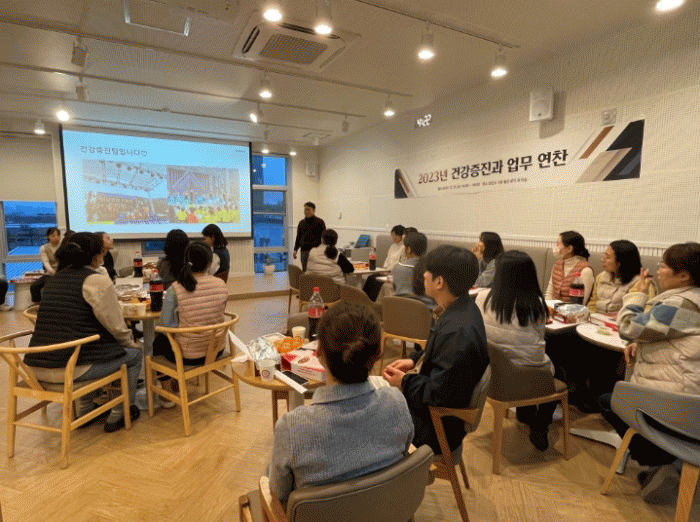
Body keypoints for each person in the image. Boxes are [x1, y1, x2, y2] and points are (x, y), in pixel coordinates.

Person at [267, 306, 414, 504]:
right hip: (386, 510)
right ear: (377, 353)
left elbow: (278, 495)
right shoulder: (396, 402)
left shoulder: (292, 428)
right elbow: (402, 456)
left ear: (318, 352)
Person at [599, 242, 700, 504]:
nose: (658, 269)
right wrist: (641, 342)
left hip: (678, 405)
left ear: (684, 276)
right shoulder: (692, 301)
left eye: (664, 265)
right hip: (690, 398)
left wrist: (637, 295)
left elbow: (628, 327)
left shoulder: (681, 303)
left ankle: (663, 459)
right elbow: (678, 336)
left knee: (609, 401)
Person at [24, 232, 142, 432]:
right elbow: (117, 328)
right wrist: (131, 343)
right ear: (95, 255)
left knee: (90, 349)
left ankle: (85, 409)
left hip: (36, 368)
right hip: (70, 370)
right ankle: (122, 410)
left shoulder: (52, 281)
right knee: (134, 354)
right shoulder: (96, 281)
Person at [383, 245, 489, 454]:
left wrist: (404, 381)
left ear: (439, 282)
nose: (424, 275)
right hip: (434, 414)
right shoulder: (462, 308)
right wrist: (414, 360)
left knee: (367, 416)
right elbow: (441, 357)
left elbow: (439, 394)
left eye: (427, 272)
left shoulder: (458, 331)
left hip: (437, 427)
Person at [475, 251, 554, 450]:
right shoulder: (535, 303)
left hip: (493, 372)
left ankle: (525, 412)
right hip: (527, 373)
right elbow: (540, 338)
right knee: (555, 370)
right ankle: (541, 423)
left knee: (521, 355)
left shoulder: (482, 297)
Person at [153, 241, 229, 401]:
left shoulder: (176, 288)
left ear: (186, 261)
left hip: (189, 356)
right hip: (217, 349)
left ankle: (167, 395)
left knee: (159, 342)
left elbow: (165, 325)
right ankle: (176, 383)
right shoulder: (220, 284)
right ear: (210, 262)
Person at [588, 240, 655, 313]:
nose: (602, 260)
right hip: (596, 318)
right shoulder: (601, 277)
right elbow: (592, 303)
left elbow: (645, 312)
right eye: (603, 255)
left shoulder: (643, 283)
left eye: (607, 257)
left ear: (621, 262)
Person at [545, 230, 594, 304]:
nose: (555, 247)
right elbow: (549, 293)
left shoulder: (586, 271)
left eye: (557, 244)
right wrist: (548, 307)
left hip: (572, 310)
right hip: (552, 308)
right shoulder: (557, 265)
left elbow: (581, 303)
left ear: (569, 249)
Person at [392, 232, 435, 309]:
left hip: (400, 311)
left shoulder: (397, 268)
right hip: (426, 312)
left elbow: (395, 288)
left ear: (408, 249)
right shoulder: (431, 270)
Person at [363, 225, 406, 300]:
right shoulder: (392, 246)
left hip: (392, 273)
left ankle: (372, 302)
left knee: (377, 282)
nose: (394, 237)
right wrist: (385, 268)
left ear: (402, 236)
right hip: (385, 271)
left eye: (396, 235)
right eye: (392, 235)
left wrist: (388, 270)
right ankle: (364, 299)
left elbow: (400, 263)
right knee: (371, 278)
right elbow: (387, 259)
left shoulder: (404, 248)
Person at [293, 202, 326, 271]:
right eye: (305, 209)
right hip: (304, 250)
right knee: (305, 269)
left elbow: (323, 237)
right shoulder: (301, 223)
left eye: (309, 209)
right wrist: (295, 250)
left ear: (313, 211)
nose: (306, 211)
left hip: (316, 251)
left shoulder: (320, 222)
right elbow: (298, 237)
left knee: (315, 269)